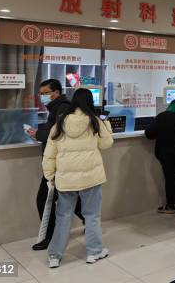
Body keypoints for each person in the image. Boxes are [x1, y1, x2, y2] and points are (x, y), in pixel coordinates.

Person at [42, 88, 114, 268]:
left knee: (63, 217)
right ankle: (94, 252)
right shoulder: (95, 121)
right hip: (91, 178)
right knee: (92, 216)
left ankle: (54, 256)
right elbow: (107, 143)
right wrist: (107, 123)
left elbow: (49, 154)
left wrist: (50, 175)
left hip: (66, 180)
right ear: (89, 102)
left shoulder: (59, 123)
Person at [28, 79, 83, 251]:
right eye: (41, 93)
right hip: (56, 162)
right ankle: (90, 220)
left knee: (45, 200)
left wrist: (38, 134)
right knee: (69, 197)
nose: (42, 97)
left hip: (60, 163)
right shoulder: (55, 108)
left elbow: (57, 134)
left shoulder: (63, 108)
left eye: (45, 93)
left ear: (57, 92)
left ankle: (49, 238)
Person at [144, 99, 175, 219]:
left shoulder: (162, 117)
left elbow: (149, 134)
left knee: (169, 178)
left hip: (165, 155)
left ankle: (170, 206)